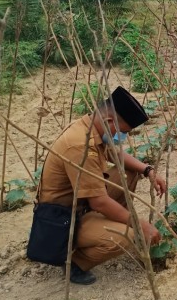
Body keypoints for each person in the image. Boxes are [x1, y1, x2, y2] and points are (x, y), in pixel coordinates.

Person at [35, 86, 167, 284]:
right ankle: (75, 264)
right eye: (123, 132)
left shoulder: (90, 126)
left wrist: (148, 170)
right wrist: (140, 225)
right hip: (65, 218)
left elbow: (114, 153)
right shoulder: (80, 145)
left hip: (84, 204)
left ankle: (109, 223)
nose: (123, 138)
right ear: (109, 121)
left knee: (130, 171)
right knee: (124, 236)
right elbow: (99, 203)